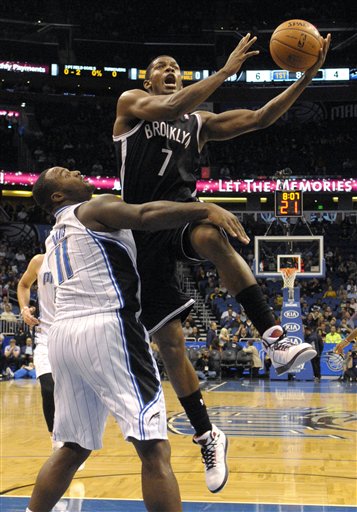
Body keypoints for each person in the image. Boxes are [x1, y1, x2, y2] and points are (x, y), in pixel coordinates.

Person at [112, 36, 330, 479]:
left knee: (212, 235)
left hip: (180, 220)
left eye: (176, 65)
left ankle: (275, 339)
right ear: (148, 79)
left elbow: (259, 117)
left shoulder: (200, 122)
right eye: (161, 66)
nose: (170, 69)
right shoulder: (132, 104)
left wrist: (307, 75)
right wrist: (227, 70)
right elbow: (168, 109)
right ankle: (208, 435)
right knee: (171, 346)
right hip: (137, 232)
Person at [26, 166, 247, 512]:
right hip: (106, 327)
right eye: (66, 173)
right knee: (154, 448)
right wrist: (205, 209)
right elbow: (145, 214)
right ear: (58, 196)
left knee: (71, 447)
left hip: (62, 339)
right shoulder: (93, 208)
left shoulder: (55, 235)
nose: (78, 171)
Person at [17, 254, 71, 454]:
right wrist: (24, 309)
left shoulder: (81, 258)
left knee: (72, 394)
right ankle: (56, 441)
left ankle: (75, 440)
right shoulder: (40, 261)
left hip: (73, 337)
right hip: (45, 336)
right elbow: (23, 285)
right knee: (48, 388)